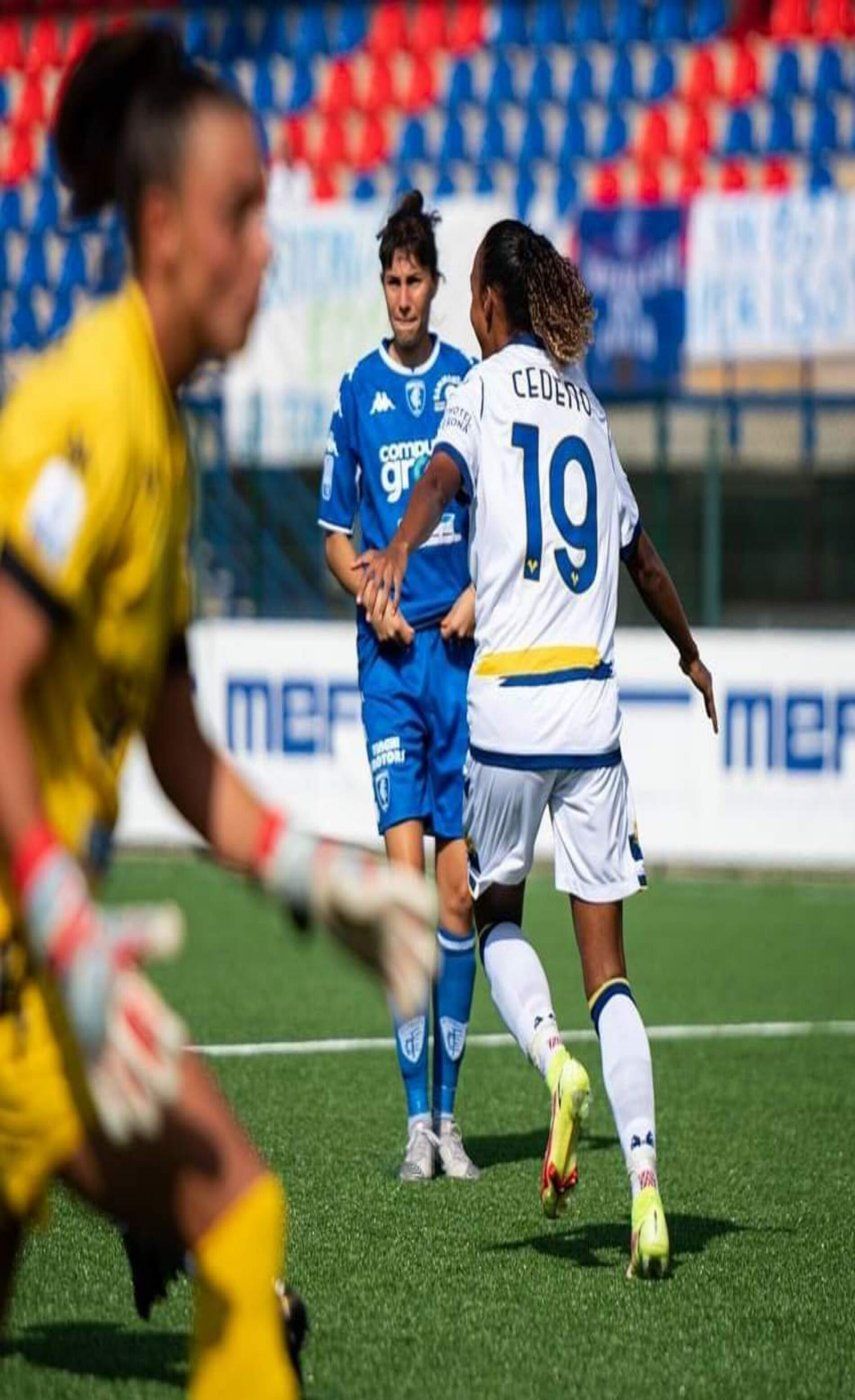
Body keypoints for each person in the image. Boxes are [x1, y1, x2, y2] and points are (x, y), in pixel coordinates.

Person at [0, 29, 437, 1399]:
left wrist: (320, 878)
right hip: (28, 964)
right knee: (237, 1219)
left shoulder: (159, 427)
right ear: (162, 226)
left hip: (36, 973)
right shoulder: (88, 411)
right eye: (243, 210)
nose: (267, 245)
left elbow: (177, 745)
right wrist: (70, 933)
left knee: (239, 1224)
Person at [355, 219, 718, 1279]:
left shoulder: (479, 386)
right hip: (595, 721)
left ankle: (554, 1064)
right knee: (614, 975)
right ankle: (648, 1189)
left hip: (509, 709)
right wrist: (692, 655)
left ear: (485, 298)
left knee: (491, 910)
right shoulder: (589, 409)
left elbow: (438, 481)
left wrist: (399, 543)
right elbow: (641, 556)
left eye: (467, 287)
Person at [319, 192, 480, 1182]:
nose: (406, 293)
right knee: (409, 888)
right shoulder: (357, 390)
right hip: (388, 664)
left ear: (436, 284)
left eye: (418, 278)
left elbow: (497, 519)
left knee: (461, 894)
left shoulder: (469, 384)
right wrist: (371, 591)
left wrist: (474, 594)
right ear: (382, 285)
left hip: (460, 663)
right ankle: (414, 1121)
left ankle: (453, 1119)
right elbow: (339, 531)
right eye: (394, 279)